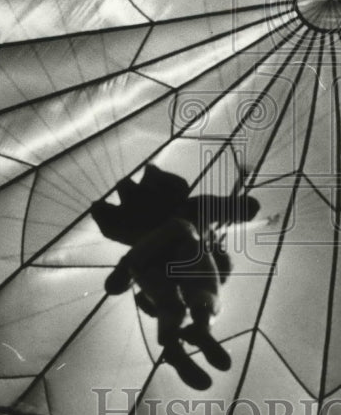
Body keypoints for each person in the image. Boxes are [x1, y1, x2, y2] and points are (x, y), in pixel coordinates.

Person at [91, 165, 260, 390]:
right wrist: (239, 208)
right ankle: (196, 326)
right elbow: (222, 209)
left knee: (171, 305)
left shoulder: (194, 225)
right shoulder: (191, 217)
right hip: (166, 246)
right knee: (190, 257)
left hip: (149, 264)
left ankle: (175, 344)